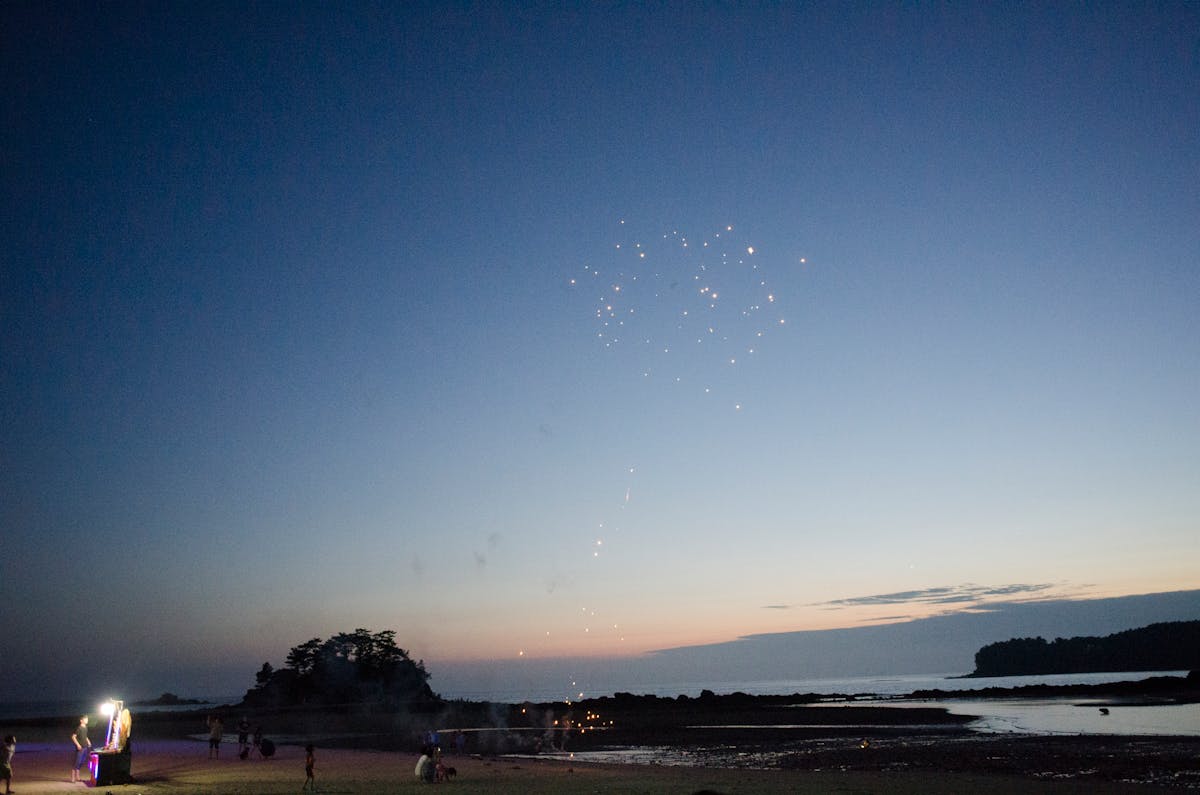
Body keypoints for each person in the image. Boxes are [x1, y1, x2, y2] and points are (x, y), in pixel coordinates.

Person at [71, 715, 91, 783]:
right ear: (81, 720)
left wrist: (88, 741)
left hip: (85, 747)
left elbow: (85, 736)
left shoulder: (86, 728)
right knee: (77, 762)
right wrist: (78, 745)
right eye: (85, 719)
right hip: (80, 748)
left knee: (82, 762)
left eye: (87, 719)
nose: (87, 720)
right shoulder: (79, 728)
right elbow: (73, 737)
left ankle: (78, 777)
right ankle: (73, 778)